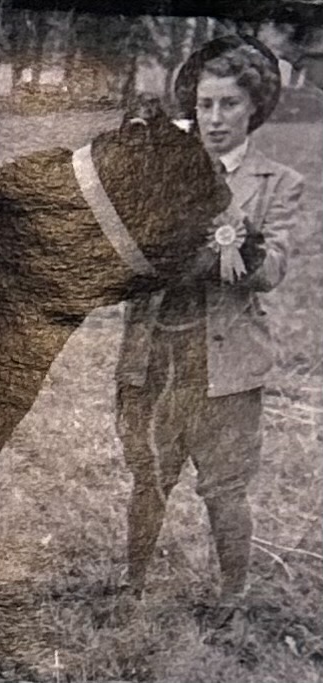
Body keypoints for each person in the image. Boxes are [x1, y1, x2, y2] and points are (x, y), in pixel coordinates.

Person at [115, 35, 305, 607]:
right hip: (153, 355)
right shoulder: (163, 167)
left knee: (224, 487)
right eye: (204, 105)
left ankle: (230, 597)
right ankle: (133, 584)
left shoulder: (278, 183)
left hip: (224, 364)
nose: (215, 118)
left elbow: (272, 268)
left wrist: (234, 239)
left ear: (255, 109)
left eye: (229, 105)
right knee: (148, 477)